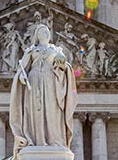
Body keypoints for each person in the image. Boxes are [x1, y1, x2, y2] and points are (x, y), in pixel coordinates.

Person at [7, 23, 76, 153]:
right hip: (34, 82)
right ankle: (36, 140)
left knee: (52, 111)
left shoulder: (57, 50)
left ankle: (55, 140)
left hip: (51, 83)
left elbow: (64, 67)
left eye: (47, 31)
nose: (45, 33)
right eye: (42, 31)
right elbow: (23, 68)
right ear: (37, 35)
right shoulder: (31, 50)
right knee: (35, 112)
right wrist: (22, 76)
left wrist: (63, 66)